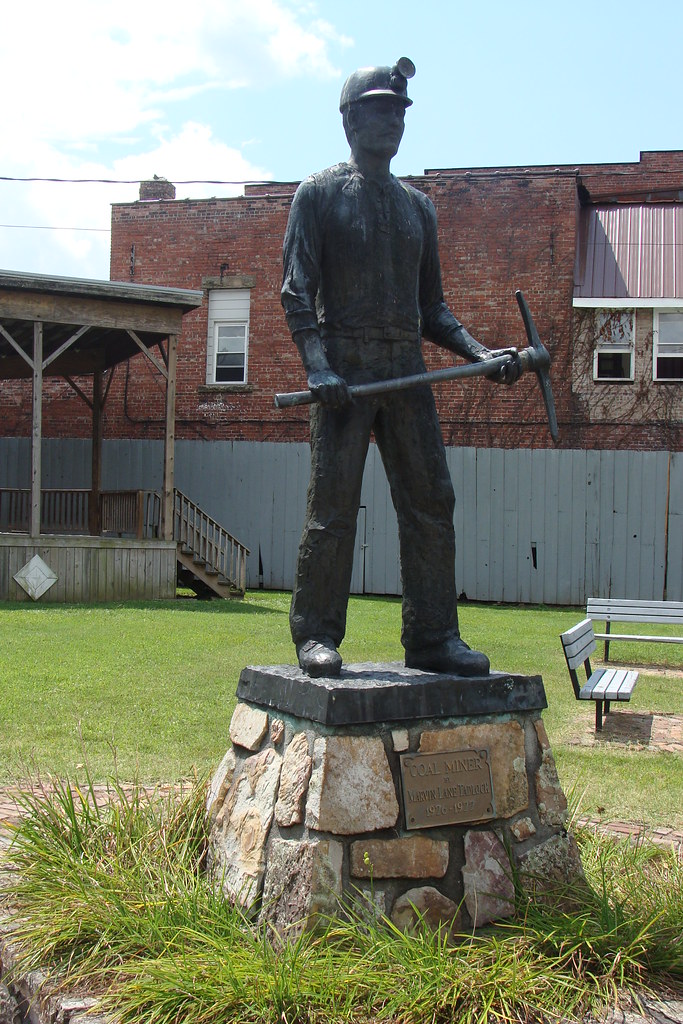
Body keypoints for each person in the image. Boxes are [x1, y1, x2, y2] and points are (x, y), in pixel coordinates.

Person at [281, 58, 519, 679]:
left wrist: (480, 355)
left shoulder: (419, 208)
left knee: (431, 500)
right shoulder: (320, 194)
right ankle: (315, 634)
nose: (393, 121)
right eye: (381, 109)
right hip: (346, 373)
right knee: (333, 506)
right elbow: (295, 290)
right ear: (351, 118)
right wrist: (317, 367)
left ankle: (435, 634)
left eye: (399, 112)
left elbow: (432, 309)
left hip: (407, 373)